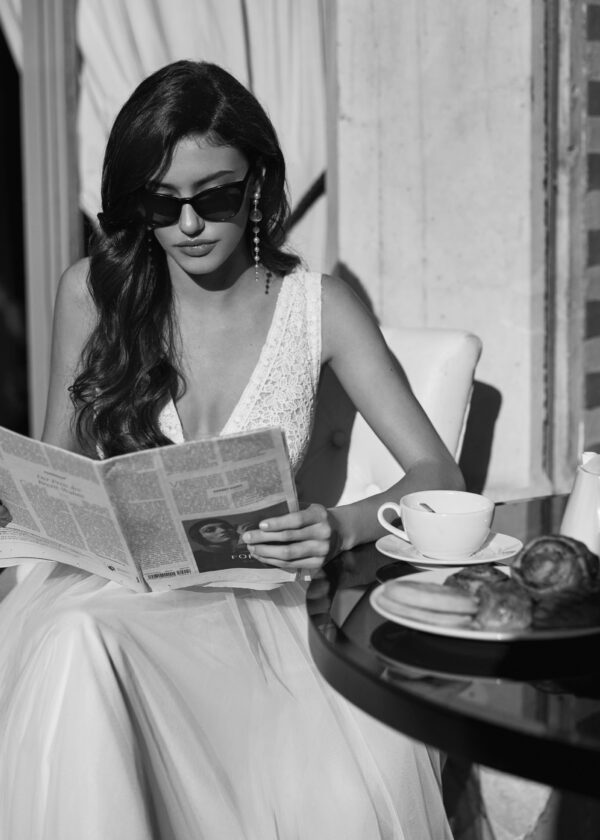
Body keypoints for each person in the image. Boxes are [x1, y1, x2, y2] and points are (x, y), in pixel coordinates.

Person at [0, 60, 464, 839]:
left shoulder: (319, 306)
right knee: (77, 642)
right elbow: (60, 465)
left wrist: (338, 526)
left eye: (214, 197)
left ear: (257, 185)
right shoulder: (92, 292)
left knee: (81, 646)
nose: (188, 225)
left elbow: (437, 471)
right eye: (161, 201)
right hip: (109, 598)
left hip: (254, 619)